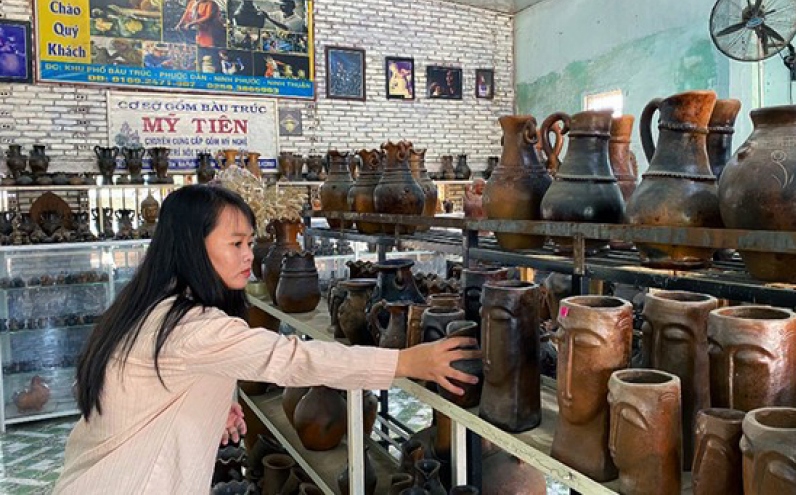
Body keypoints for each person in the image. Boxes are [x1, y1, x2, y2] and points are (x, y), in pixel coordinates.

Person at [52, 185, 478, 493]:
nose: (248, 256)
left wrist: (207, 404)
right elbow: (294, 359)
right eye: (235, 243)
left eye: (251, 243)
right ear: (190, 247)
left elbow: (144, 393)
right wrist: (404, 363)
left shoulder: (145, 307)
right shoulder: (193, 327)